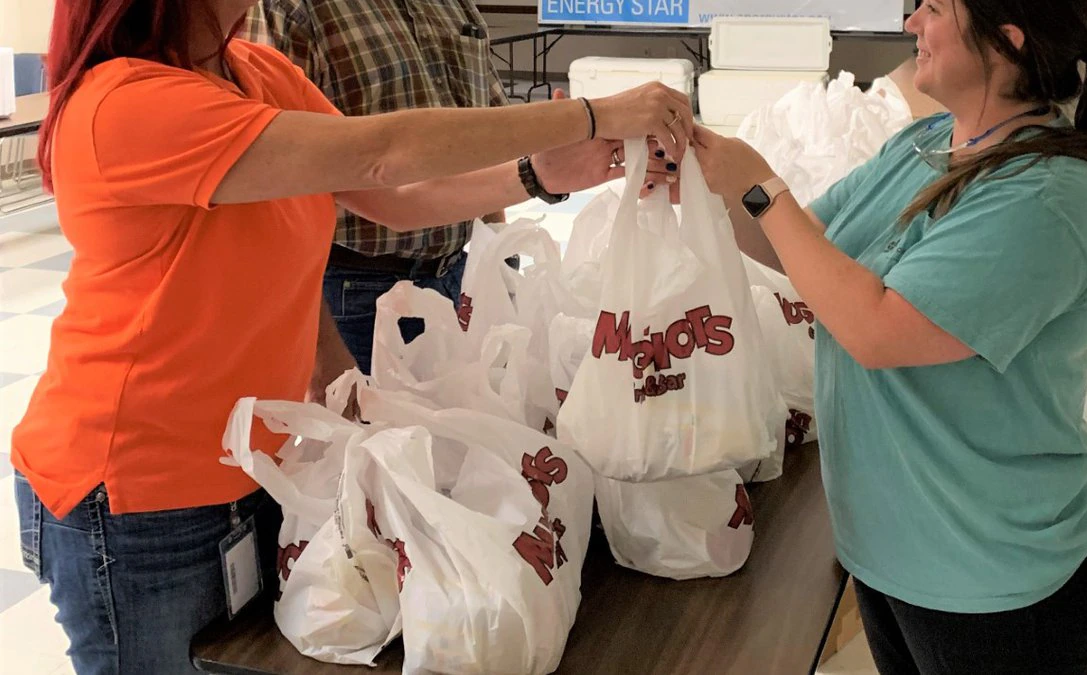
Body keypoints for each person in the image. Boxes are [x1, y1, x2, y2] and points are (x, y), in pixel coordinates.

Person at [10, 0, 691, 672]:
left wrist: (537, 176)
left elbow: (390, 202)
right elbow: (382, 156)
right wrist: (593, 114)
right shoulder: (124, 105)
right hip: (138, 495)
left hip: (257, 463)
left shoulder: (256, 72)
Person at [695, 0, 1087, 672]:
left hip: (994, 578)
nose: (911, 26)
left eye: (932, 9)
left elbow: (878, 329)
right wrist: (694, 171)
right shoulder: (924, 144)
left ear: (1006, 43)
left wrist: (758, 185)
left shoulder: (1048, 196)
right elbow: (799, 246)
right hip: (894, 550)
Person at [239, 0, 517, 394]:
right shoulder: (289, 9)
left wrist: (501, 268)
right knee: (374, 448)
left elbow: (486, 143)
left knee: (465, 445)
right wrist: (321, 348)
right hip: (353, 296)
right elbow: (265, 197)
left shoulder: (451, 5)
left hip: (459, 278)